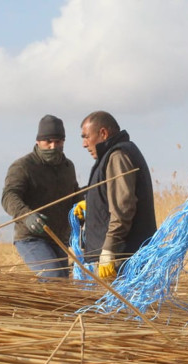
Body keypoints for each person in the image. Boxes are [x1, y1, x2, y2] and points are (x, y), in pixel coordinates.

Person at [78, 111, 156, 280]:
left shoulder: (117, 156)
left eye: (86, 137)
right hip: (120, 258)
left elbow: (123, 208)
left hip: (122, 261)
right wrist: (90, 203)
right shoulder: (113, 155)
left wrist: (108, 250)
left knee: (119, 306)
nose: (84, 144)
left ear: (103, 133)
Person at [1, 115, 80, 278]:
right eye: (48, 141)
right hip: (31, 238)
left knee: (63, 286)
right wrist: (26, 215)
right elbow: (9, 195)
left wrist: (84, 207)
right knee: (54, 278)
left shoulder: (68, 167)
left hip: (59, 239)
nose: (53, 146)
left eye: (58, 142)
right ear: (38, 141)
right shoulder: (23, 166)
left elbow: (74, 194)